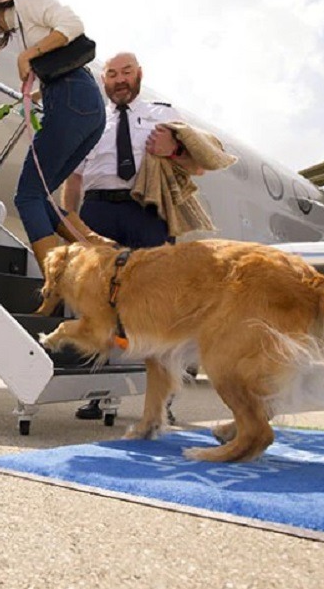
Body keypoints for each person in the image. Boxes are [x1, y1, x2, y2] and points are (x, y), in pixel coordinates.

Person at [62, 52, 204, 420]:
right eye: (112, 74)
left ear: (139, 74)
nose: (119, 79)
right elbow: (73, 179)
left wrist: (173, 149)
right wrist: (72, 225)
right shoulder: (91, 119)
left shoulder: (163, 114)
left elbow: (198, 165)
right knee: (98, 304)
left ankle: (161, 400)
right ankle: (97, 393)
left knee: (158, 306)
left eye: (126, 72)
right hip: (98, 212)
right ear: (104, 80)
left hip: (148, 212)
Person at [0, 0, 114, 271]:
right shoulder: (21, 27)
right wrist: (34, 96)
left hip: (72, 99)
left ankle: (55, 279)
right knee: (40, 197)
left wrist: (28, 55)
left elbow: (72, 25)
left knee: (27, 196)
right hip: (84, 105)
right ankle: (102, 251)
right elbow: (58, 67)